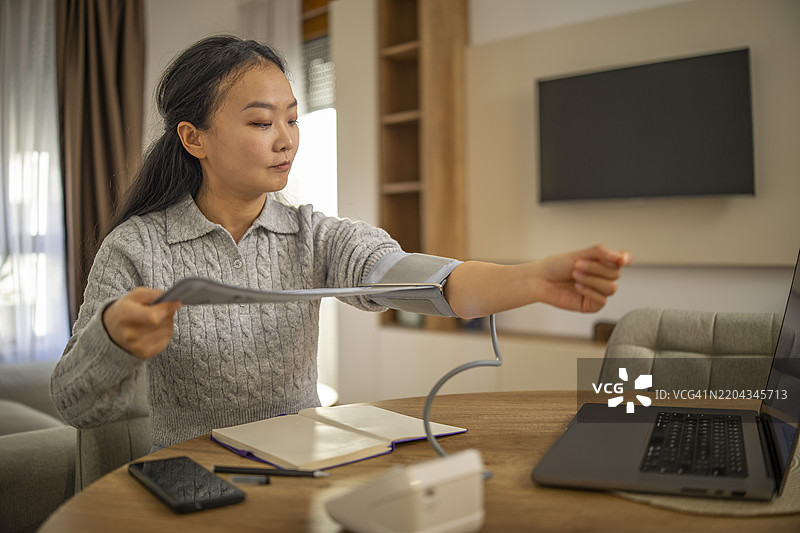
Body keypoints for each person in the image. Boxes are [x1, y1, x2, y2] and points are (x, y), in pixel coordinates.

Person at [50, 35, 632, 450]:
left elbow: (416, 278)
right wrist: (113, 338)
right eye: (260, 123)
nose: (286, 140)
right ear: (193, 137)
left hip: (303, 467)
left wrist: (532, 279)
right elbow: (77, 405)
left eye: (293, 119)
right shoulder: (135, 248)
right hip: (197, 480)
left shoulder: (312, 234)